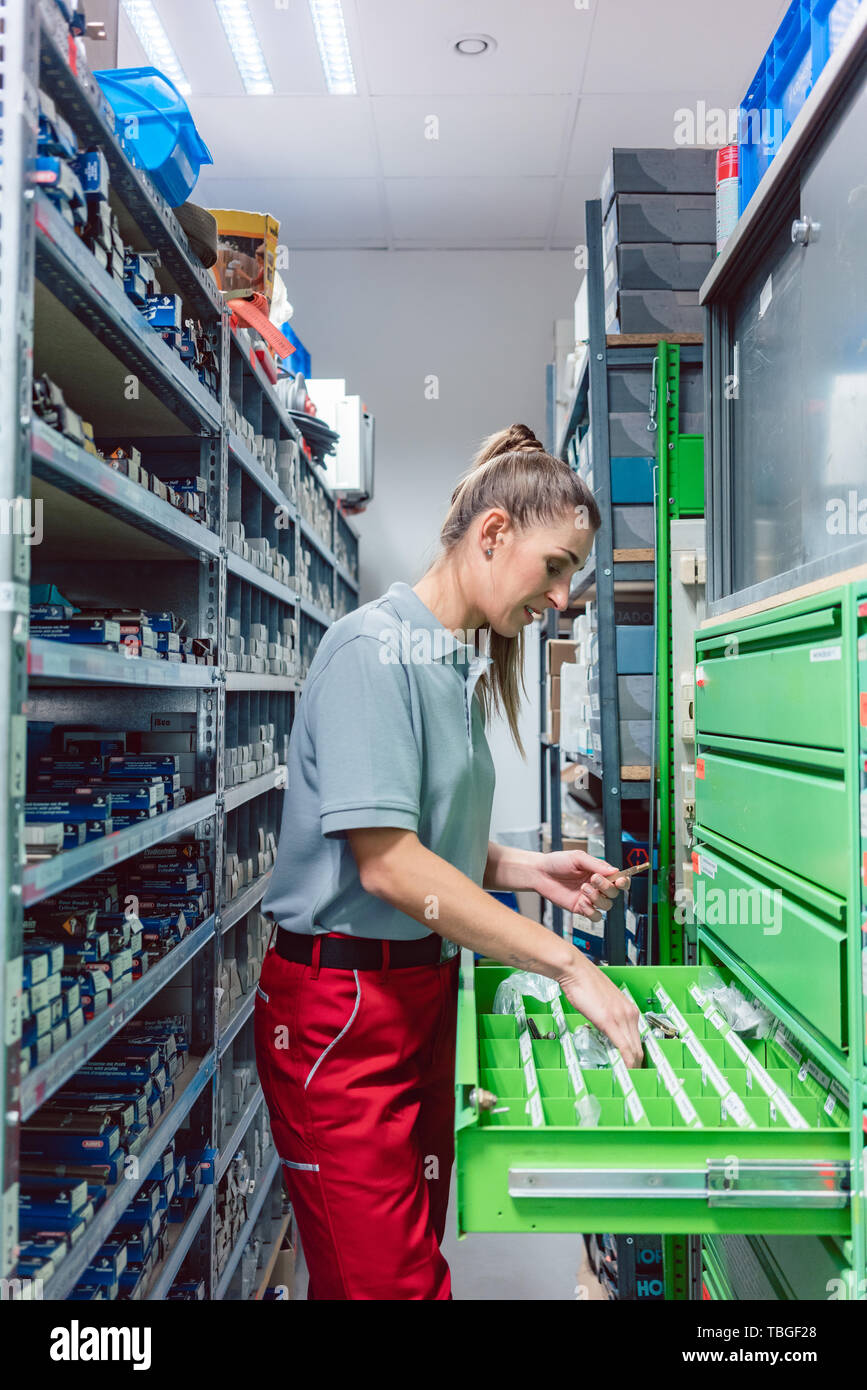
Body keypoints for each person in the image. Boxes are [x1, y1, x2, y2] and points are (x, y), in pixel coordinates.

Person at [255, 422, 642, 1300]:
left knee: (404, 1263)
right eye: (552, 567)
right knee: (385, 1286)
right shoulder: (371, 653)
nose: (557, 597)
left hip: (416, 993)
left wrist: (523, 867)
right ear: (493, 533)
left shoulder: (448, 662)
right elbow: (388, 867)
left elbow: (420, 838)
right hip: (342, 1014)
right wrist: (563, 961)